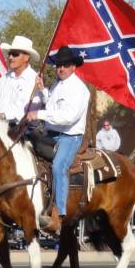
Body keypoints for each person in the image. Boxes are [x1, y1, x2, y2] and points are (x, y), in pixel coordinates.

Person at [26, 46, 90, 232]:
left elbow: (68, 117)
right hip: (50, 135)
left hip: (69, 137)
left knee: (58, 166)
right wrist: (43, 91)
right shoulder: (56, 86)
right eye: (59, 65)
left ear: (73, 67)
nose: (61, 68)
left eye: (65, 65)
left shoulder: (79, 89)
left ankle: (59, 213)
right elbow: (53, 104)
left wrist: (39, 113)